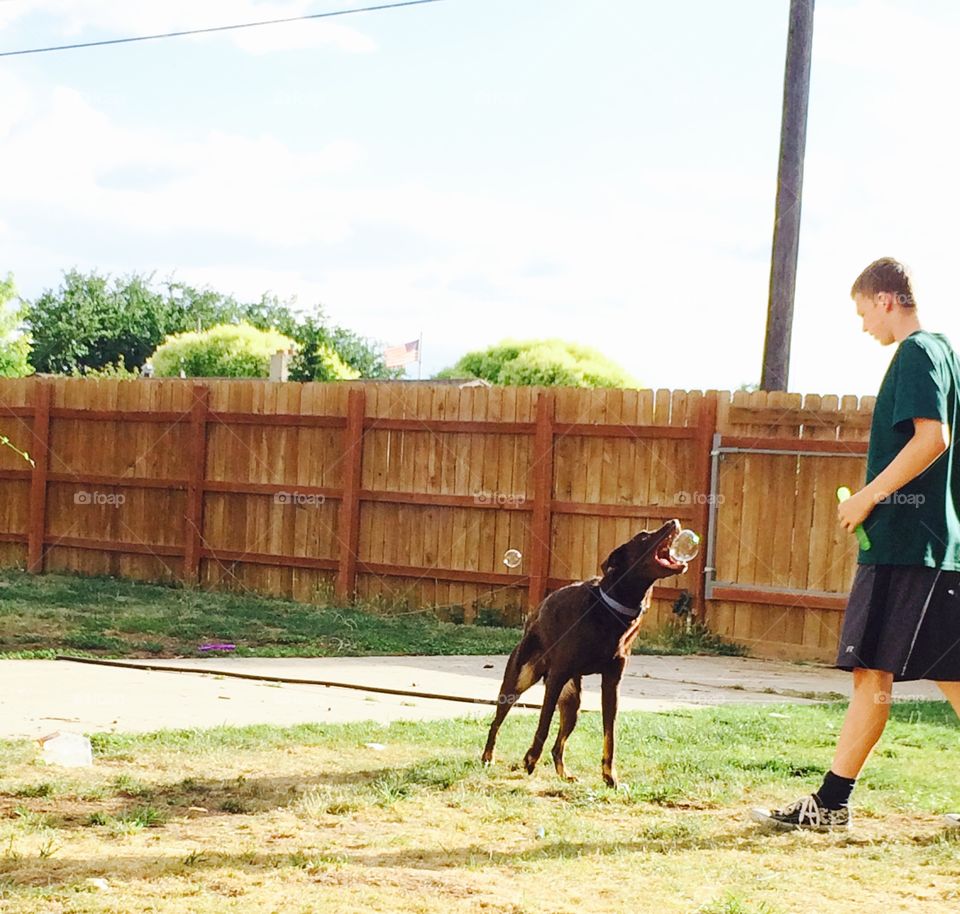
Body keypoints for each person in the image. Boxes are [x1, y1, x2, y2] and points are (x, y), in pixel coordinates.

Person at [752, 257, 960, 830]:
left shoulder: (917, 352)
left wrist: (867, 497)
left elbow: (933, 439)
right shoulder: (946, 353)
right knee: (944, 675)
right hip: (933, 548)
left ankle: (830, 804)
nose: (862, 322)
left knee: (873, 672)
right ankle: (832, 802)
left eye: (862, 309)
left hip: (904, 547)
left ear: (886, 299)